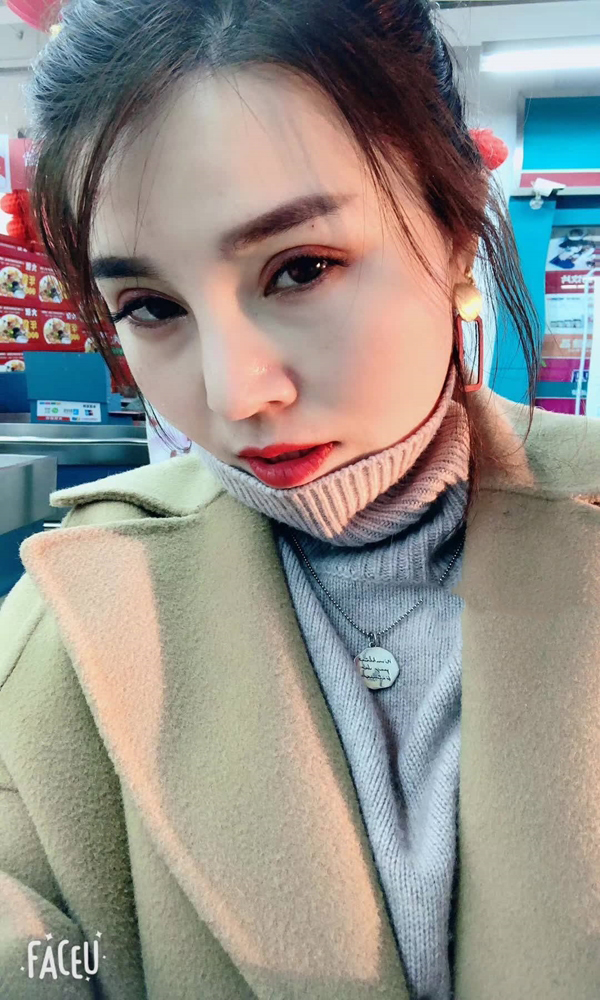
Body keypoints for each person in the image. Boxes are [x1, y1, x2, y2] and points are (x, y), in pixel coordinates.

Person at [0, 2, 599, 999]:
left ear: (455, 232)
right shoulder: (61, 635)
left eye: (302, 269)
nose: (235, 393)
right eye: (152, 308)